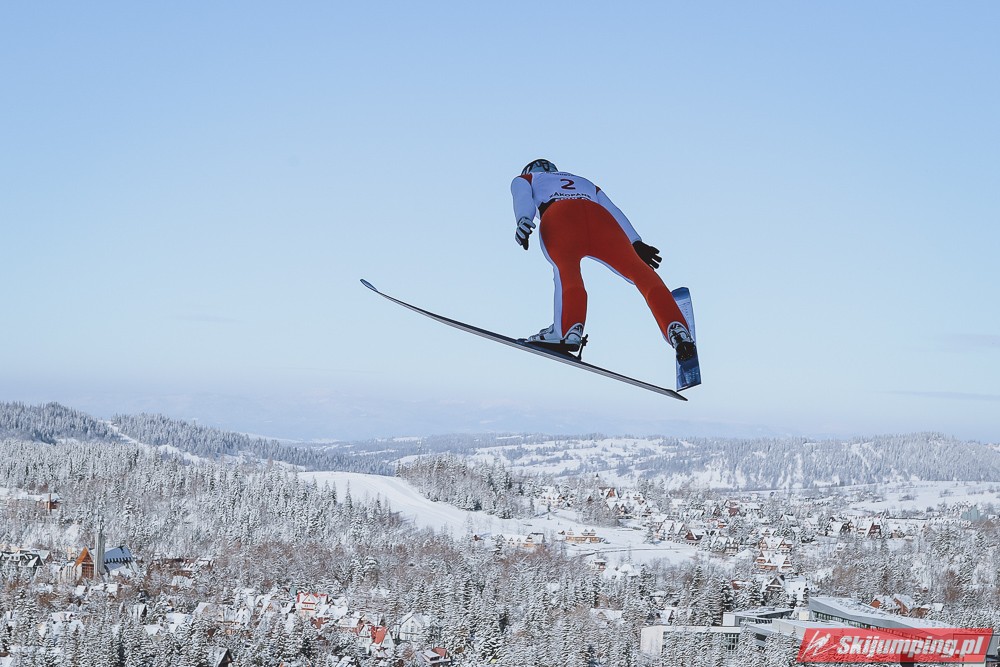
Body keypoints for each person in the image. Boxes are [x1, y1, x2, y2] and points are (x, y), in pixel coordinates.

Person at [510, 158, 696, 363]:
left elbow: (522, 196)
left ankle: (569, 329)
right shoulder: (583, 181)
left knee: (566, 269)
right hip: (600, 218)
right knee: (640, 271)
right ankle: (677, 329)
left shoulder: (527, 178)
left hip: (560, 216)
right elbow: (613, 209)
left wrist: (523, 219)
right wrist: (636, 241)